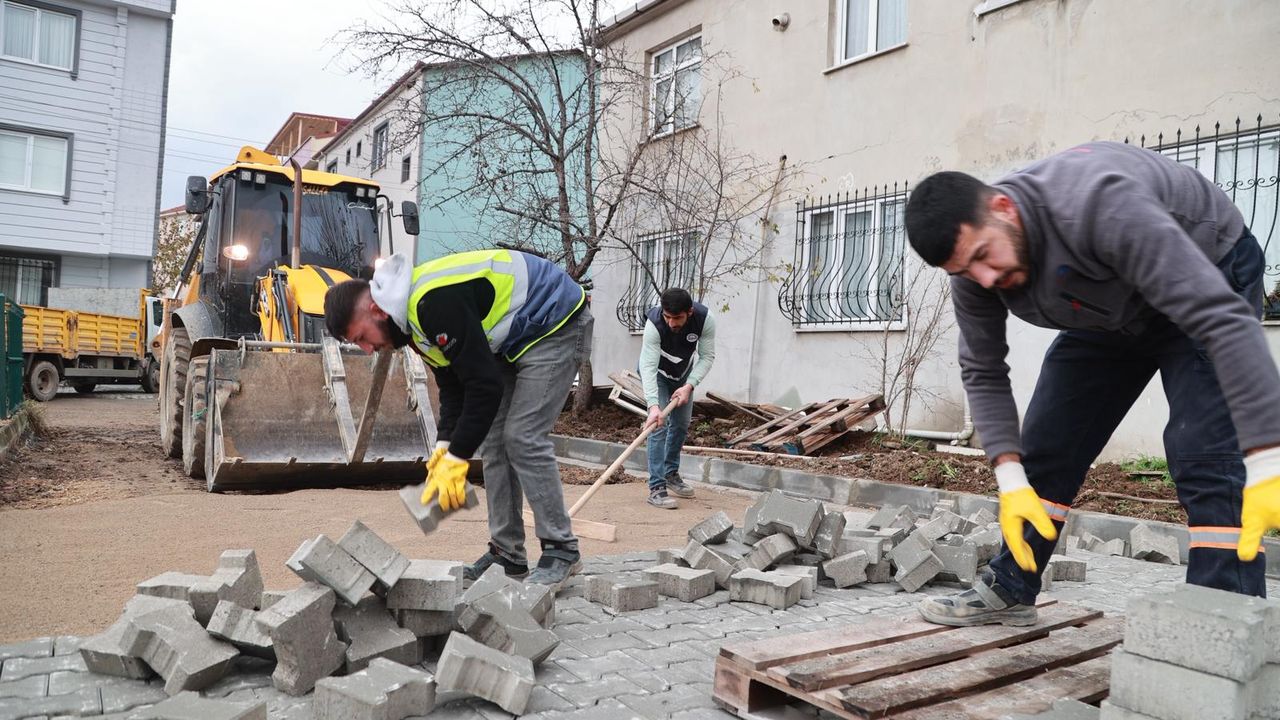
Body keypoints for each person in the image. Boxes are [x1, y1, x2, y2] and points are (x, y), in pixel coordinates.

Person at [903, 141, 1280, 627]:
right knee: (1046, 444)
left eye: (983, 256)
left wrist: (1267, 455)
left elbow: (1222, 320)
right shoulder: (974, 270)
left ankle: (1222, 622)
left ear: (1003, 207)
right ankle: (1012, 588)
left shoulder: (1098, 206)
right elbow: (983, 368)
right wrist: (1010, 477)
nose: (985, 277)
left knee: (1203, 451)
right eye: (965, 270)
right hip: (1109, 311)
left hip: (1207, 273)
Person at [323, 249, 593, 587]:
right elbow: (453, 387)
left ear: (375, 309)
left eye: (361, 337)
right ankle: (507, 556)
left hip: (555, 318)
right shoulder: (410, 327)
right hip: (515, 339)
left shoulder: (432, 303)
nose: (367, 349)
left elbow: (484, 387)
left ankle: (562, 550)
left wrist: (457, 457)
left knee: (522, 436)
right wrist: (444, 448)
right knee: (495, 441)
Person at [638, 288, 717, 509]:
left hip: (683, 376)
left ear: (689, 312)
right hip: (658, 375)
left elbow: (707, 356)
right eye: (668, 317)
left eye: (678, 318)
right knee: (658, 425)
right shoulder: (654, 324)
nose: (672, 323)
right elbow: (648, 366)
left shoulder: (705, 320)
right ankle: (656, 488)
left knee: (681, 424)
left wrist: (689, 385)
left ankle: (670, 473)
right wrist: (654, 405)